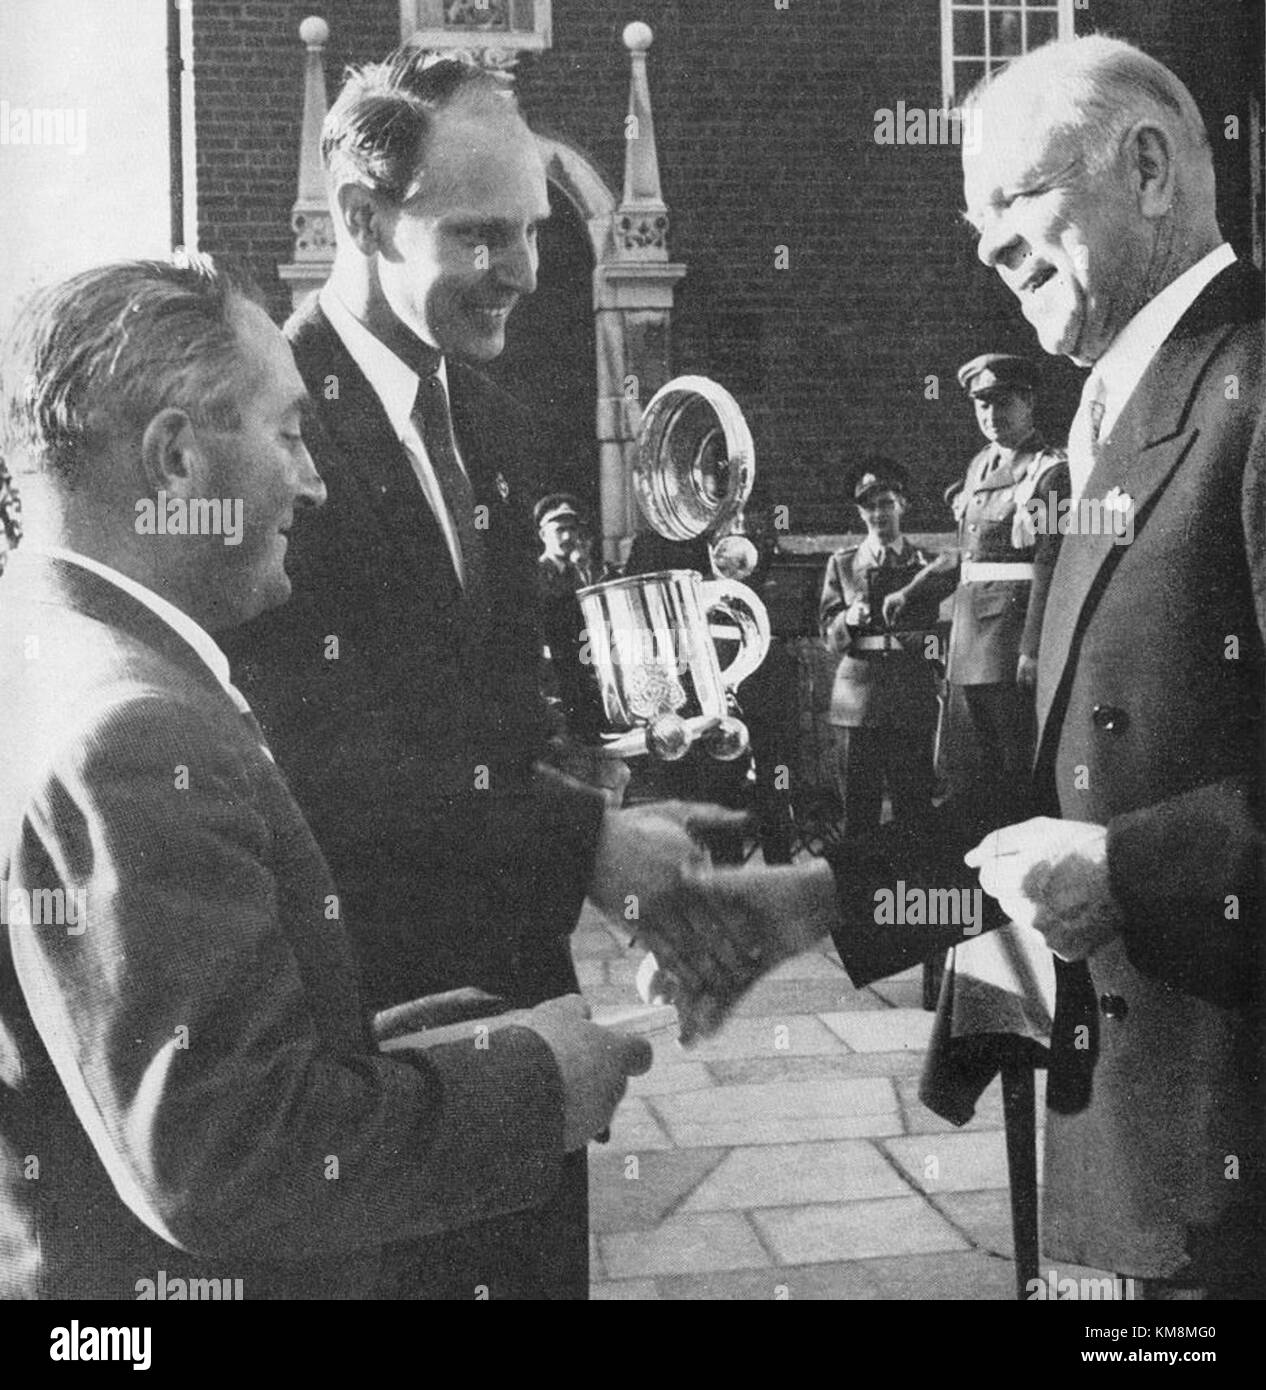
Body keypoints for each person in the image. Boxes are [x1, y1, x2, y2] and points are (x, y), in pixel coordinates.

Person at [675, 35, 1264, 1298]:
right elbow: (1022, 792)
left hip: (1227, 1172)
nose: (987, 249)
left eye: (1015, 202)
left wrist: (1126, 868)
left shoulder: (1254, 390)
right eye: (972, 219)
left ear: (1148, 168)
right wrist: (810, 902)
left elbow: (1105, 835)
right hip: (1105, 1149)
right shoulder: (1102, 419)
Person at [0, 253, 653, 1301]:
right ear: (175, 460)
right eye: (290, 433)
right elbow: (225, 1158)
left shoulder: (49, 656)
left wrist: (375, 1053)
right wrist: (537, 1085)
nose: (312, 479)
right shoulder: (133, 730)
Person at [223, 48, 738, 1299]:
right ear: (358, 218)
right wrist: (587, 847)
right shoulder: (273, 431)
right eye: (478, 236)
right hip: (375, 1055)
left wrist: (639, 722)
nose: (521, 270)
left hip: (516, 1026)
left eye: (530, 232)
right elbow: (314, 763)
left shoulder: (490, 415)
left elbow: (499, 709)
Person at [904, 354, 1067, 826]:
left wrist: (1033, 647)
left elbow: (1050, 559)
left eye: (1002, 403)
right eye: (981, 405)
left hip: (1011, 639)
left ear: (1028, 402)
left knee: (1017, 766)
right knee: (975, 769)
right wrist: (914, 590)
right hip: (969, 636)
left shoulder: (1051, 472)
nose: (991, 416)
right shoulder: (979, 466)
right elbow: (969, 555)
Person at [819, 460, 949, 838]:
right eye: (869, 506)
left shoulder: (927, 566)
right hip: (858, 704)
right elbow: (830, 638)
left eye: (886, 503)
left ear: (902, 505)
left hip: (911, 698)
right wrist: (850, 620)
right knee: (859, 813)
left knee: (915, 810)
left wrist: (913, 646)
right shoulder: (842, 565)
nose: (878, 513)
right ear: (860, 512)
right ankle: (860, 894)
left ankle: (911, 891)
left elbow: (932, 641)